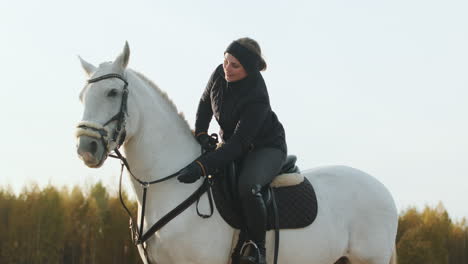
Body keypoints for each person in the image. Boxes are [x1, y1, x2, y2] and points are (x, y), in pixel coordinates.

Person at [177, 37, 287, 264]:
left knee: (248, 187)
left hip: (266, 148)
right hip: (231, 144)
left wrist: (201, 167)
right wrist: (200, 133)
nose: (227, 68)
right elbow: (206, 102)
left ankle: (258, 250)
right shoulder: (220, 72)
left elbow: (238, 145)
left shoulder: (257, 97)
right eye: (226, 60)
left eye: (235, 65)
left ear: (248, 69)